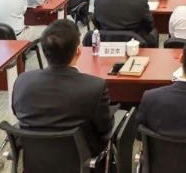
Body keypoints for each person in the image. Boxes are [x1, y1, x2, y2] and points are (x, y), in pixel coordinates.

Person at [12, 20, 113, 156]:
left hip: (35, 159)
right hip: (82, 159)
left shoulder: (22, 81)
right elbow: (105, 127)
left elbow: (17, 113)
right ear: (79, 50)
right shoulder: (95, 87)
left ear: (44, 51)